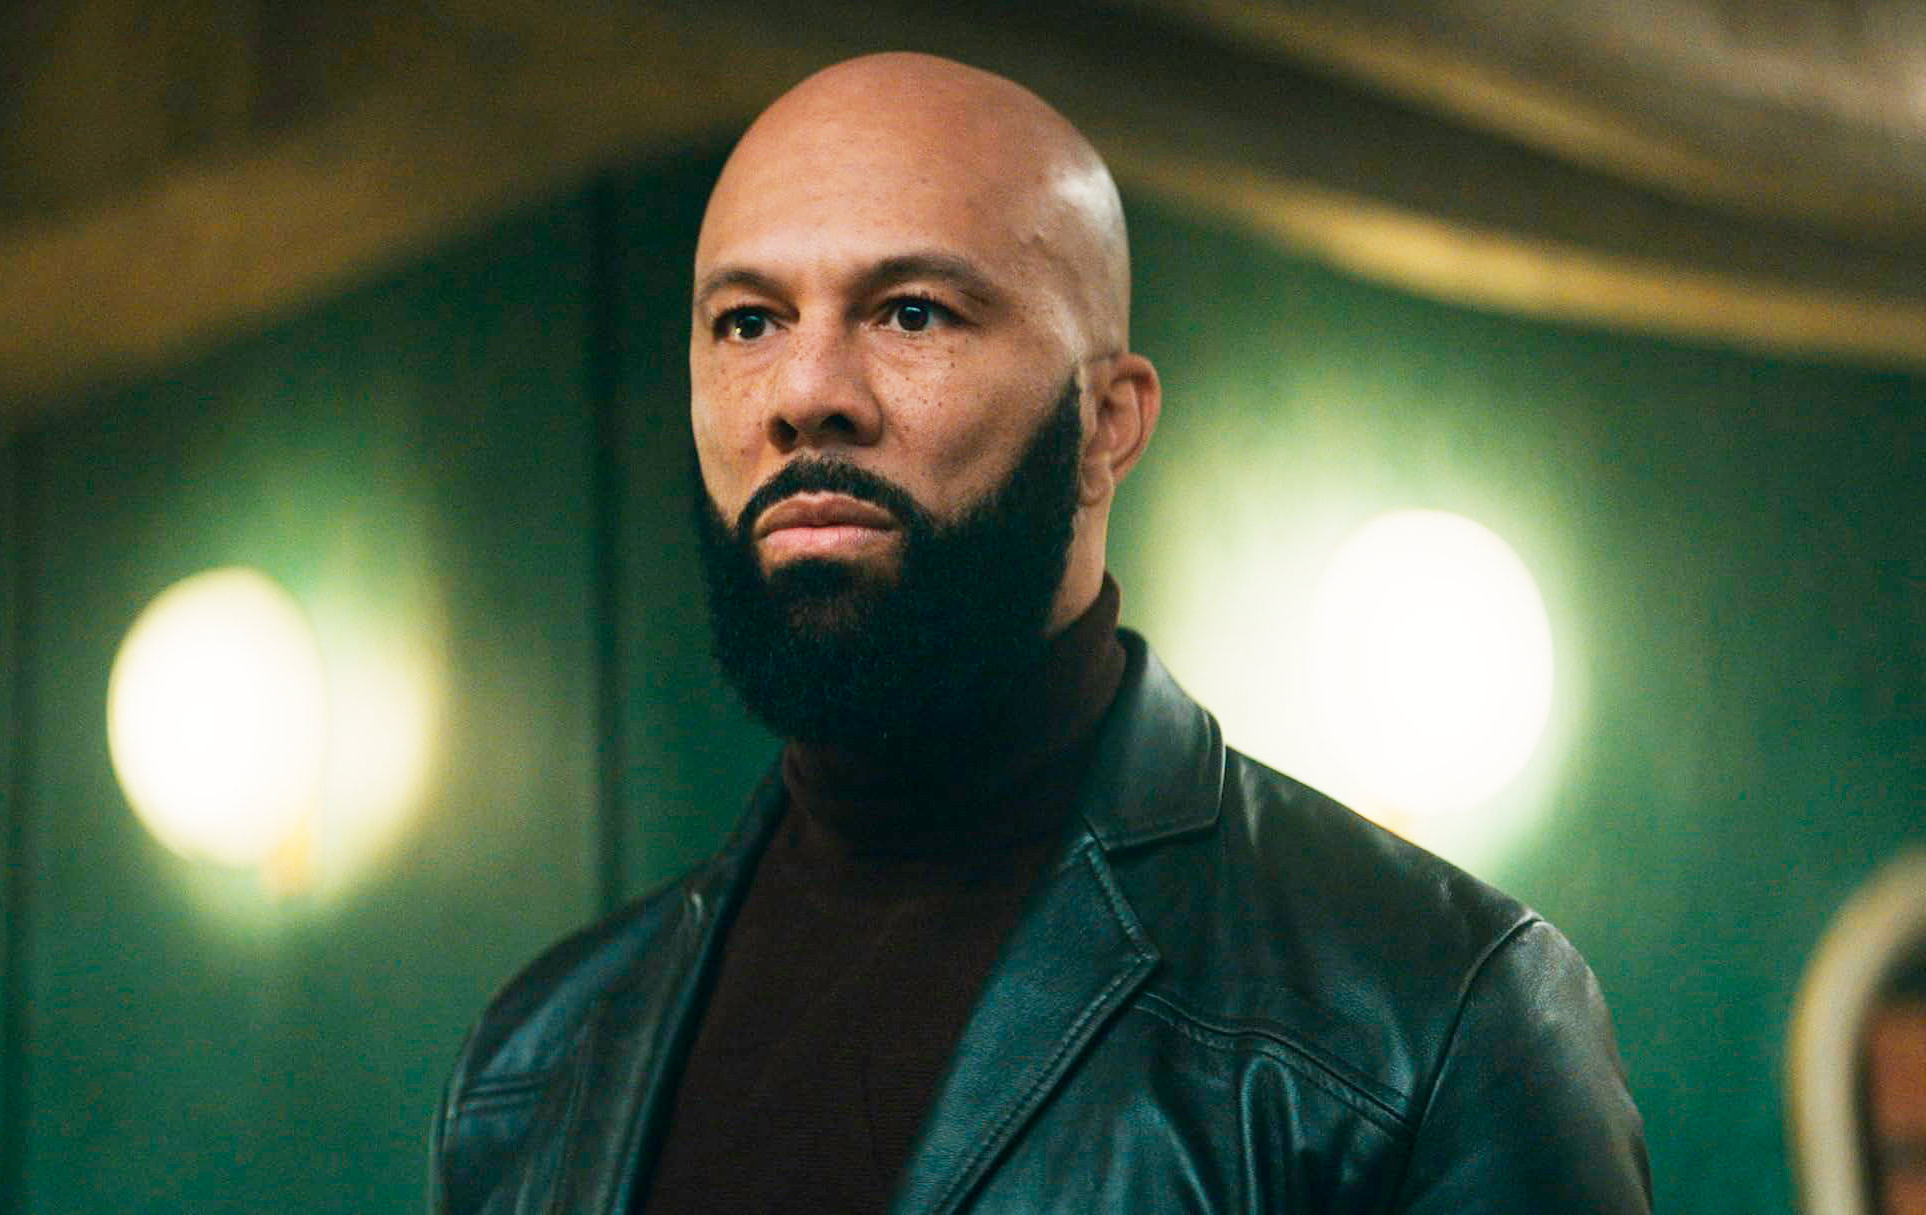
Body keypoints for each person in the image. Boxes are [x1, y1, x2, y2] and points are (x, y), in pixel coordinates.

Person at [432, 51, 1651, 1214]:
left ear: (1107, 424)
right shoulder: (537, 1061)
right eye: (749, 322)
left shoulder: (1428, 1021)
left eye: (912, 313)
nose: (805, 394)